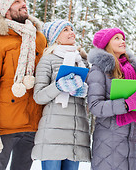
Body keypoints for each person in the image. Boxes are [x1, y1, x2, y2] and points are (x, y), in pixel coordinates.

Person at [0, 0, 47, 170]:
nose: (23, 4)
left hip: (32, 121)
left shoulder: (38, 38)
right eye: (17, 2)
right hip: (5, 125)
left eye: (24, 1)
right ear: (6, 10)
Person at [86, 28, 136, 170]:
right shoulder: (99, 69)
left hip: (134, 139)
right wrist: (126, 104)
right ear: (107, 43)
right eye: (117, 38)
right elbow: (95, 106)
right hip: (109, 140)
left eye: (123, 38)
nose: (122, 41)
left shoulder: (132, 69)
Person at [31, 19, 91, 170]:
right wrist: (59, 86)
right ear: (56, 36)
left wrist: (85, 91)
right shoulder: (48, 59)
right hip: (53, 132)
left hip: (76, 132)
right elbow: (38, 96)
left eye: (71, 29)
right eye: (65, 30)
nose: (71, 32)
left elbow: (92, 91)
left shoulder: (82, 60)